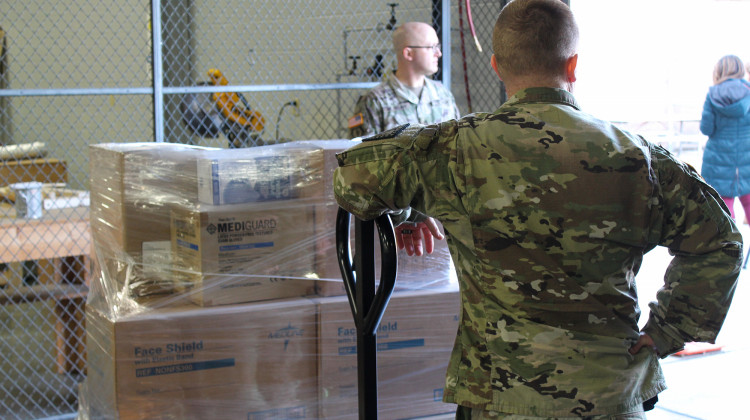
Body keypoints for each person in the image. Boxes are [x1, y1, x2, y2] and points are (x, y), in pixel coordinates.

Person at [334, 0, 742, 418]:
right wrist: (667, 329)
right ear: (573, 65)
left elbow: (351, 181)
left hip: (502, 398)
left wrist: (412, 210)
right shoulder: (638, 157)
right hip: (610, 396)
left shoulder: (454, 149)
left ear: (496, 65)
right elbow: (723, 241)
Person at [348, 21, 459, 256]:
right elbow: (365, 171)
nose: (439, 53)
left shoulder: (443, 96)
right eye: (432, 47)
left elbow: (456, 157)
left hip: (442, 219)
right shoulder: (375, 102)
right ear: (408, 53)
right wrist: (406, 214)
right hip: (392, 224)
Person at [699, 54, 750, 221]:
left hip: (718, 159)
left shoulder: (713, 94)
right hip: (747, 156)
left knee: (724, 206)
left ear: (719, 71)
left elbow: (706, 128)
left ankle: (731, 246)